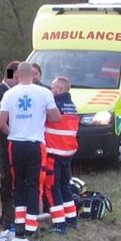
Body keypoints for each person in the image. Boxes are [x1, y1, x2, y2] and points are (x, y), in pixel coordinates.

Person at [0, 62, 61, 241]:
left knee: (17, 184)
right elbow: (56, 117)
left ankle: (20, 223)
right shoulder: (44, 93)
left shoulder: (9, 94)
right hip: (35, 144)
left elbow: (0, 123)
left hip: (16, 145)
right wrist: (40, 115)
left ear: (17, 75)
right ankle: (31, 226)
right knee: (34, 184)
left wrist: (14, 133)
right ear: (33, 74)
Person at [44, 76, 80, 232]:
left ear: (58, 90)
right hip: (67, 154)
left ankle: (59, 224)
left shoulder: (55, 106)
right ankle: (71, 219)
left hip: (54, 153)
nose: (51, 90)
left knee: (52, 187)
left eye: (52, 87)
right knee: (65, 186)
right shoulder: (72, 106)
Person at [0, 61, 20, 235]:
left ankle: (11, 215)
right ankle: (7, 217)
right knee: (7, 180)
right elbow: (0, 123)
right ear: (13, 75)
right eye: (18, 77)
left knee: (13, 180)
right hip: (3, 145)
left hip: (11, 143)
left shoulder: (12, 92)